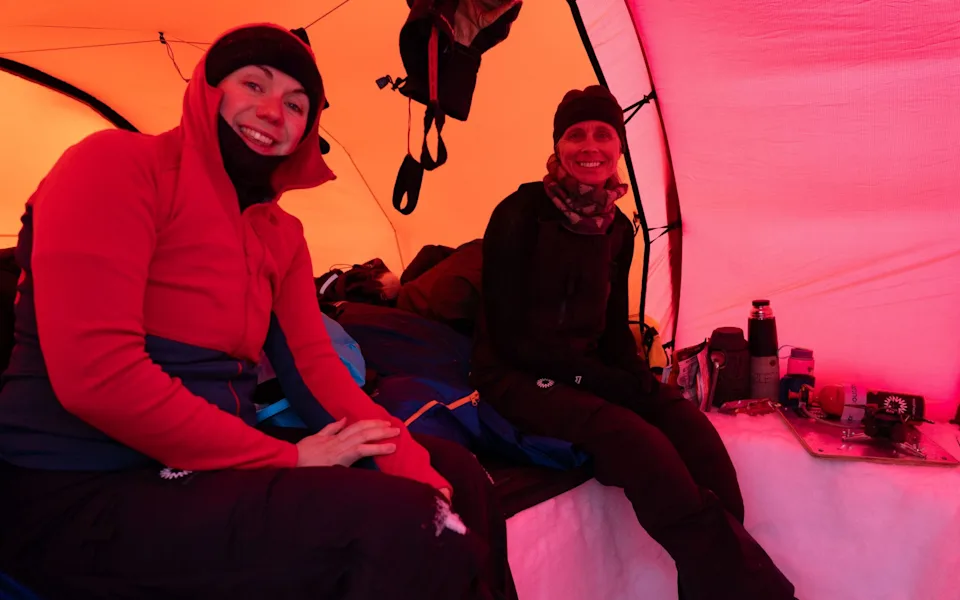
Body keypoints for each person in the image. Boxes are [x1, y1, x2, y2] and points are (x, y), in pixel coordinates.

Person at [0, 24, 514, 600]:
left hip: (205, 472)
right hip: (78, 486)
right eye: (254, 85)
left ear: (307, 130)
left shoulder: (281, 236)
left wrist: (414, 465)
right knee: (401, 529)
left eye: (296, 105)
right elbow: (99, 379)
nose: (274, 112)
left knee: (456, 479)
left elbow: (316, 373)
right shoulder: (115, 165)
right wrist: (286, 457)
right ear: (208, 90)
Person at [470, 85, 796, 600]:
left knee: (691, 432)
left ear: (619, 146)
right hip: (514, 375)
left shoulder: (618, 228)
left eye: (603, 133)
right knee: (636, 440)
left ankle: (714, 588)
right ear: (557, 147)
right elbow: (509, 335)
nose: (589, 145)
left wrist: (640, 384)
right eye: (575, 135)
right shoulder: (520, 212)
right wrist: (594, 379)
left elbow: (613, 328)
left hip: (581, 370)